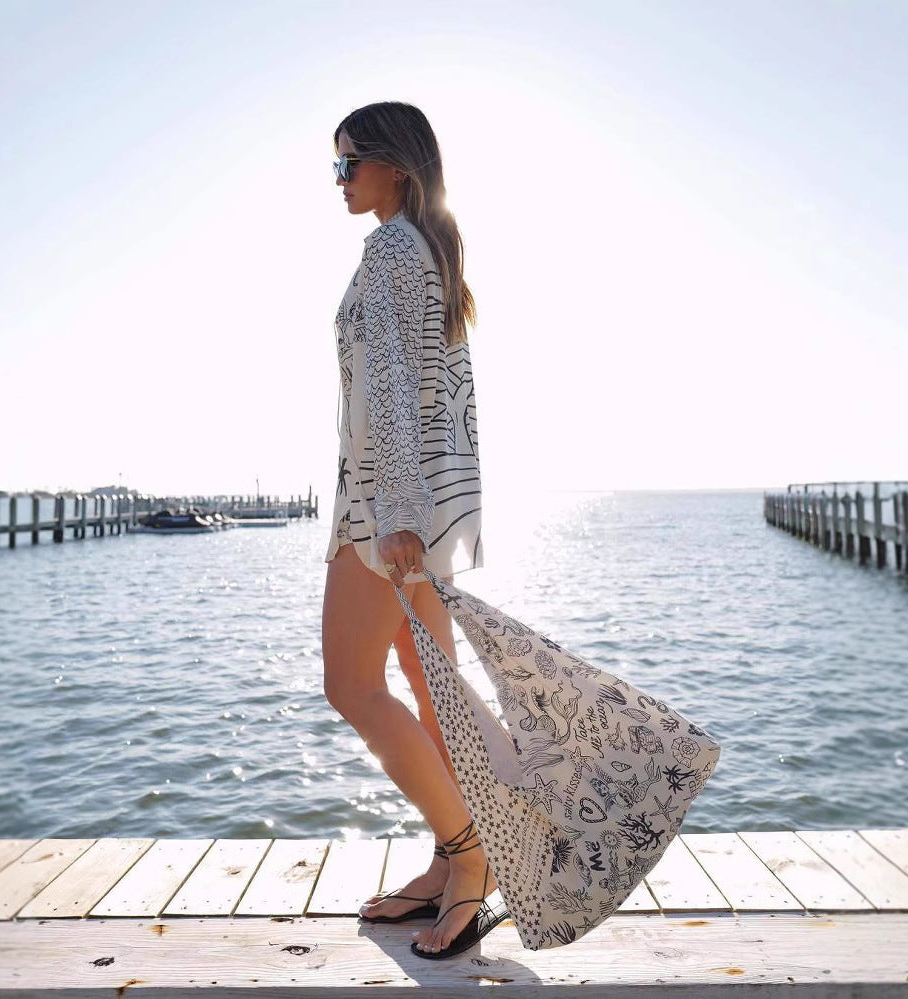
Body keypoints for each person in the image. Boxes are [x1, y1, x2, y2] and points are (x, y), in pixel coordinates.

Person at [322, 101, 507, 959]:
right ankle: (451, 858)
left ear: (393, 164)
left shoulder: (392, 248)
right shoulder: (426, 247)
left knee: (351, 685)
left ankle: (470, 853)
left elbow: (395, 384)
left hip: (385, 511)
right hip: (410, 504)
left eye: (347, 163)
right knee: (435, 694)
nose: (338, 180)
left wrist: (394, 513)